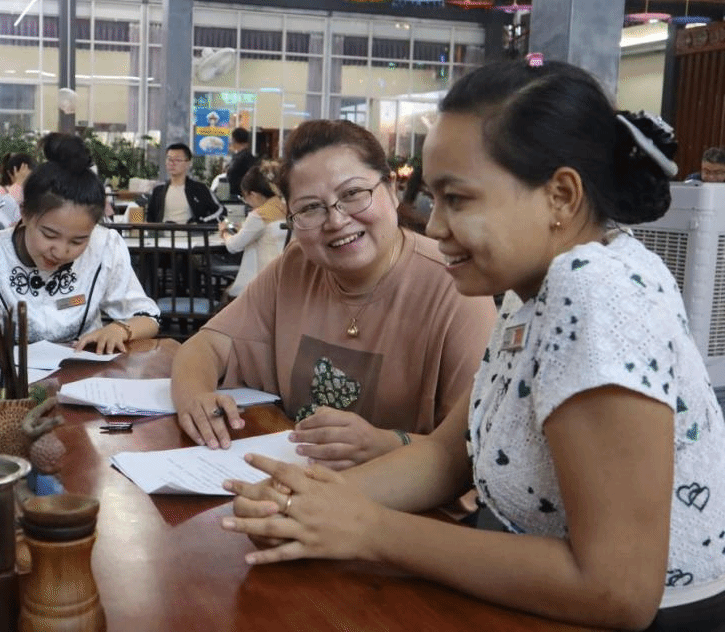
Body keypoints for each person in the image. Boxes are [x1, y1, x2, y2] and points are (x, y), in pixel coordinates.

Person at [223, 60, 725, 631]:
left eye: (457, 199)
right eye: (433, 198)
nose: (435, 226)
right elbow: (448, 455)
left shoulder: (596, 289)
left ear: (561, 196)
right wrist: (304, 502)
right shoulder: (531, 285)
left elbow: (618, 589)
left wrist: (368, 528)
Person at [171, 119, 496, 472]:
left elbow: (477, 445)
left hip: (396, 501)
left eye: (353, 193)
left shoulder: (456, 286)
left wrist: (387, 443)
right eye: (311, 208)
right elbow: (205, 346)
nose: (336, 221)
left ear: (390, 189)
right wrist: (196, 398)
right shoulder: (295, 267)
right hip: (290, 482)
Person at [0, 132, 160, 354]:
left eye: (78, 241)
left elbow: (147, 317)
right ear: (24, 214)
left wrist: (120, 329)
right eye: (49, 235)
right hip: (8, 373)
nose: (60, 251)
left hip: (86, 369)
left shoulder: (105, 245)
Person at [217, 161, 287, 299]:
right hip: (286, 276)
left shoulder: (259, 215)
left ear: (253, 195)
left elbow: (233, 246)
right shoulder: (286, 208)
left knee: (226, 296)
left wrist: (224, 232)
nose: (247, 202)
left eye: (245, 198)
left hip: (263, 279)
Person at [145, 143, 224, 224]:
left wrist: (200, 223)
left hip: (191, 231)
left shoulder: (200, 189)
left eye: (177, 160)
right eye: (169, 159)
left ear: (188, 163)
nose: (172, 163)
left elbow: (220, 211)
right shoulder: (158, 190)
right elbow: (149, 218)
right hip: (163, 231)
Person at [0, 152, 36, 228]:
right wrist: (18, 184)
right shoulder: (0, 190)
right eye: (22, 175)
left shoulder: (32, 192)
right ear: (10, 173)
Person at [225, 127, 258, 198]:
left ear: (234, 140)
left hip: (241, 195)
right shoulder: (240, 156)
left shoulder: (245, 157)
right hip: (236, 193)